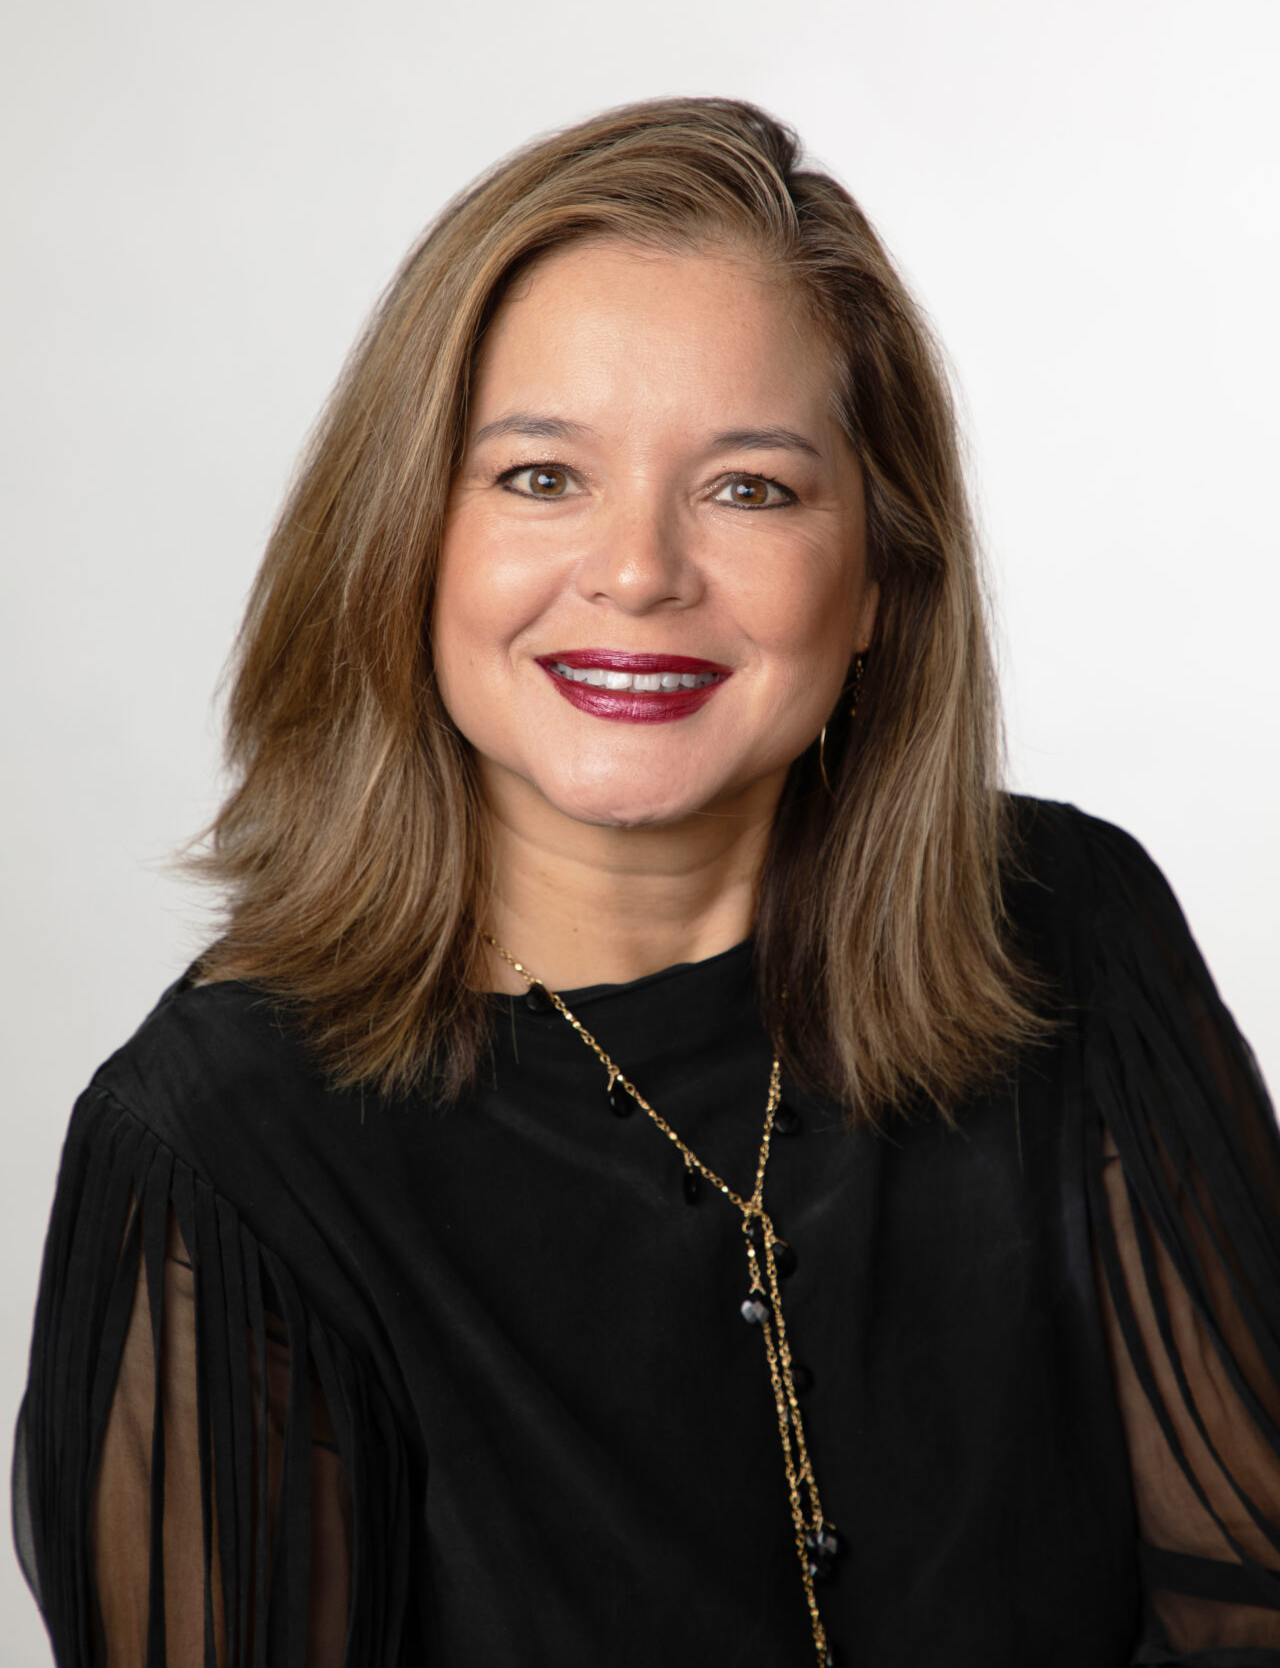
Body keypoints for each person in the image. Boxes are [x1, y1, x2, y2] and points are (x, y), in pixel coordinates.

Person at [13, 97, 1280, 1668]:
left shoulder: (1070, 926)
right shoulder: (217, 1150)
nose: (636, 571)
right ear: (407, 543)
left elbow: (1253, 1609)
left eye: (750, 488)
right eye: (541, 476)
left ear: (879, 576)